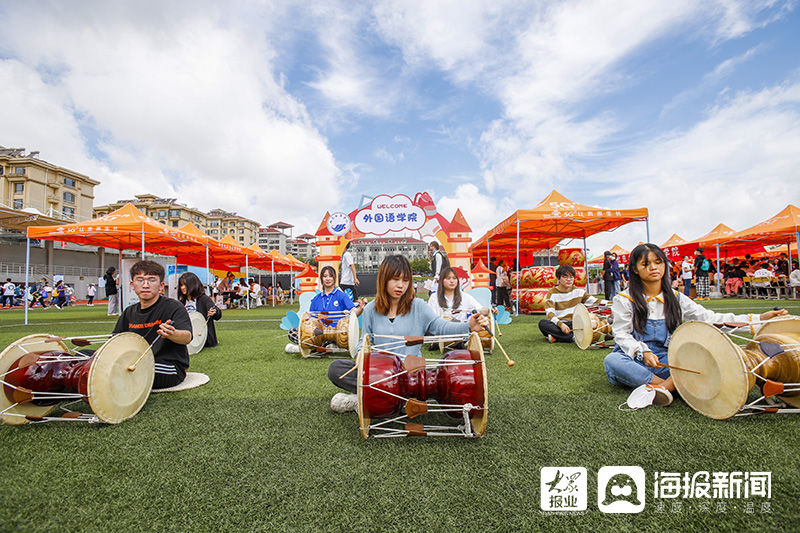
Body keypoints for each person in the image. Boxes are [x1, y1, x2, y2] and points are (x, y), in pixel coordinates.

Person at [603, 244, 786, 407]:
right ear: (634, 269)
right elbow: (621, 334)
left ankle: (663, 388)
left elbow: (711, 318)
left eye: (658, 262)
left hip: (669, 360)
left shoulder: (676, 298)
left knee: (700, 361)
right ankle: (672, 385)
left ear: (664, 265)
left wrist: (759, 318)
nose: (653, 267)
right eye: (646, 264)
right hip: (635, 359)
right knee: (612, 362)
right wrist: (642, 352)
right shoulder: (624, 299)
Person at [327, 255, 489, 413]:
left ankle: (367, 399)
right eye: (395, 279)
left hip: (411, 371)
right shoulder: (371, 309)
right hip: (381, 373)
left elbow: (442, 327)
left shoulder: (418, 306)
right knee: (336, 369)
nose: (400, 285)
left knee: (432, 379)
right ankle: (387, 397)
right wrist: (360, 353)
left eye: (405, 281)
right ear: (384, 279)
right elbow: (365, 338)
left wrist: (468, 326)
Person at [114, 260, 192, 389]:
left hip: (169, 367)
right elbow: (115, 340)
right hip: (133, 362)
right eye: (140, 280)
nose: (145, 285)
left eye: (151, 280)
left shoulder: (173, 307)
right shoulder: (129, 312)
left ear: (161, 286)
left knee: (120, 370)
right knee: (86, 357)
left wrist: (172, 333)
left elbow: (187, 337)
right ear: (132, 285)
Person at [538, 265, 610, 343]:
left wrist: (614, 303)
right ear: (558, 278)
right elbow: (550, 313)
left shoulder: (579, 292)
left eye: (571, 277)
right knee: (543, 324)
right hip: (559, 324)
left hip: (575, 323)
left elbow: (596, 301)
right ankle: (573, 337)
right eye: (565, 277)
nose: (569, 280)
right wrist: (561, 324)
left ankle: (558, 337)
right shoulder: (552, 293)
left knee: (591, 322)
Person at [178, 271, 222, 348]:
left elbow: (217, 314)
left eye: (185, 285)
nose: (182, 288)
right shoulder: (181, 303)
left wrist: (214, 311)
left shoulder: (204, 299)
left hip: (203, 337)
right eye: (181, 285)